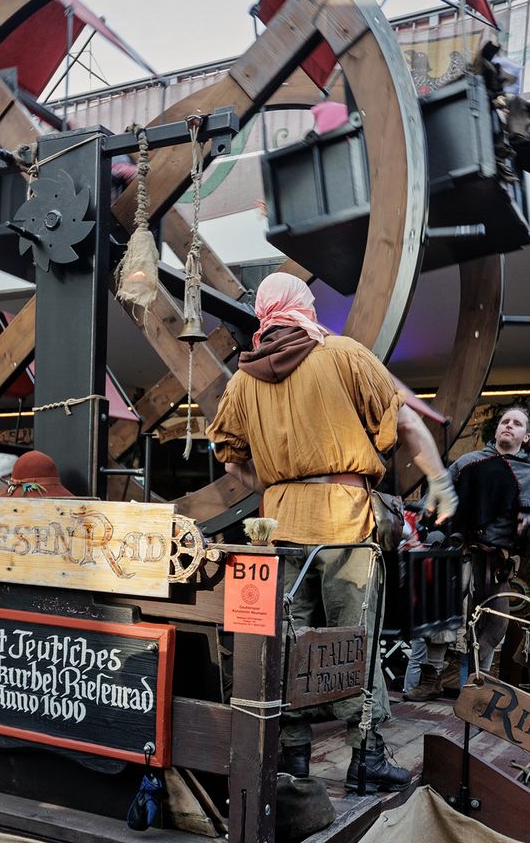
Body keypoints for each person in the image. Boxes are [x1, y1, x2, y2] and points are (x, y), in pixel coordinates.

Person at [206, 272, 457, 792]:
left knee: (286, 638)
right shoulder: (343, 353)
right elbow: (407, 423)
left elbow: (231, 463)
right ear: (301, 307)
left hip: (276, 523)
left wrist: (279, 486)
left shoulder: (241, 380)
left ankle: (294, 757)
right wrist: (439, 482)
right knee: (353, 636)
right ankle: (365, 756)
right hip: (344, 517)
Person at [404, 406, 530, 701]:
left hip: (496, 560)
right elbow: (434, 498)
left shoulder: (529, 474)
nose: (509, 426)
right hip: (457, 552)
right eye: (504, 422)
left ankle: (474, 690)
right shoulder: (467, 462)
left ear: (526, 436)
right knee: (440, 613)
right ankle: (430, 677)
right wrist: (416, 528)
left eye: (517, 423)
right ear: (497, 430)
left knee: (495, 624)